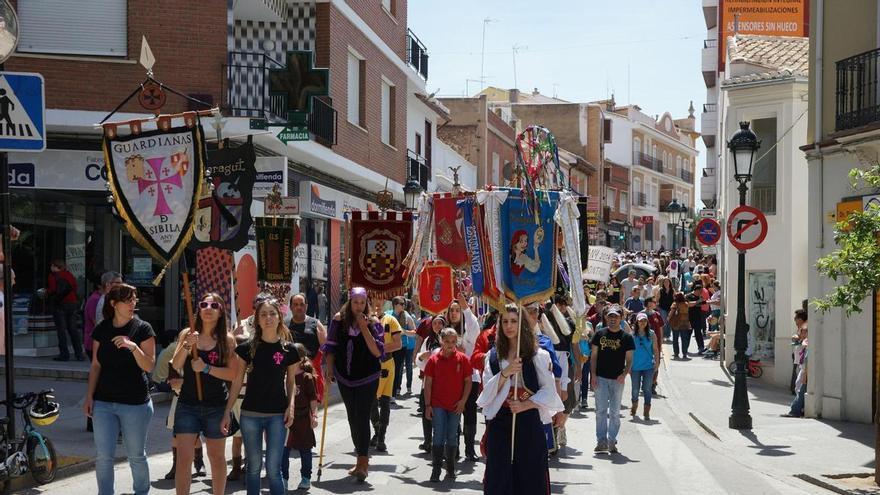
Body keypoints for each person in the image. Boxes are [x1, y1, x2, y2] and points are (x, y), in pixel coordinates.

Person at [477, 304, 563, 495]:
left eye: (514, 321)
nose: (509, 326)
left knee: (530, 477)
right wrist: (506, 372)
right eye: (505, 321)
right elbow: (486, 394)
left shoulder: (539, 356)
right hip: (500, 424)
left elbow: (549, 391)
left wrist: (526, 404)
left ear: (522, 323)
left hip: (528, 423)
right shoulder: (493, 357)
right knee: (499, 477)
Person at [83, 284, 156, 495]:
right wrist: (89, 396)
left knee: (136, 455)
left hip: (135, 403)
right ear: (114, 304)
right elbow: (96, 365)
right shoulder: (102, 329)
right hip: (104, 402)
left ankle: (141, 492)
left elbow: (149, 366)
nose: (133, 303)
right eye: (128, 300)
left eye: (134, 299)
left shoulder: (143, 329)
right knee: (104, 456)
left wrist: (132, 346)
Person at [223, 297, 301, 495]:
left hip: (277, 414)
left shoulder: (289, 350)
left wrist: (290, 407)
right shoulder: (246, 348)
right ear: (257, 319)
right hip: (250, 414)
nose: (268, 318)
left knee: (274, 470)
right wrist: (226, 412)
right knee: (254, 468)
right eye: (263, 314)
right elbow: (237, 382)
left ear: (280, 318)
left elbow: (291, 382)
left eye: (272, 314)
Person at [170, 293, 238, 495]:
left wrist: (206, 368)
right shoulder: (187, 334)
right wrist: (187, 346)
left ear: (220, 311)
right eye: (204, 304)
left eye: (214, 305)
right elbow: (175, 364)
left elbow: (233, 373)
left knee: (216, 457)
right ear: (198, 309)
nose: (208, 308)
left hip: (216, 405)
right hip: (187, 404)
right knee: (184, 458)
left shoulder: (227, 339)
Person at [320, 287, 384, 482]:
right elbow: (331, 346)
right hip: (345, 376)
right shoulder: (339, 320)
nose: (358, 306)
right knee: (352, 417)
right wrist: (329, 369)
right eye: (355, 302)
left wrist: (364, 327)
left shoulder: (374, 323)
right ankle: (359, 458)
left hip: (368, 376)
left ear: (366, 304)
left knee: (362, 416)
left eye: (362, 303)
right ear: (350, 302)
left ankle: (364, 462)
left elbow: (376, 352)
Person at [227, 292, 273, 482]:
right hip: (242, 382)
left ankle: (264, 466)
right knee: (238, 433)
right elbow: (232, 349)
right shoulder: (242, 325)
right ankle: (237, 467)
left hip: (264, 384)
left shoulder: (271, 326)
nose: (260, 308)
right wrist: (237, 338)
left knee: (263, 433)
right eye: (257, 305)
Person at [424, 328, 473, 482]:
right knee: (438, 435)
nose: (450, 345)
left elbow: (468, 382)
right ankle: (436, 469)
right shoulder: (433, 360)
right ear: (441, 341)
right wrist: (427, 405)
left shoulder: (463, 359)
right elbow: (428, 384)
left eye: (453, 342)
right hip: (437, 404)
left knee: (453, 435)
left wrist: (463, 401)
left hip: (456, 405)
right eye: (447, 341)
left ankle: (450, 468)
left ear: (456, 342)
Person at [590, 305, 634, 454]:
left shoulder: (627, 338)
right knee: (601, 410)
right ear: (606, 318)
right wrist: (593, 375)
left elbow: (629, 360)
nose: (613, 319)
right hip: (601, 378)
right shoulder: (599, 334)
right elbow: (594, 357)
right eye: (610, 316)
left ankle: (612, 440)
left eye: (616, 316)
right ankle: (601, 441)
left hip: (617, 380)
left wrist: (624, 374)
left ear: (621, 318)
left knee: (615, 412)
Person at [445, 292, 481, 461]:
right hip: (451, 378)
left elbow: (475, 327)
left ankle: (469, 448)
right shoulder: (445, 333)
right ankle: (454, 447)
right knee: (452, 411)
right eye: (451, 310)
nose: (454, 313)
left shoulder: (468, 330)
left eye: (457, 310)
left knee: (470, 412)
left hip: (469, 377)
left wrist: (466, 307)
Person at [281, 343, 319, 491]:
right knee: (284, 450)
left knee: (305, 449)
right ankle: (283, 478)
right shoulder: (283, 375)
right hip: (286, 418)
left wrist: (314, 415)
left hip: (302, 417)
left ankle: (306, 478)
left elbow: (313, 399)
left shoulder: (307, 377)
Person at [370, 298, 402, 453]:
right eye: (373, 299)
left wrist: (379, 348)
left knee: (384, 402)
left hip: (387, 364)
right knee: (370, 402)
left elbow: (398, 344)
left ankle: (381, 437)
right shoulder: (366, 321)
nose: (376, 302)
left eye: (379, 299)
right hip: (370, 367)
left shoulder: (391, 320)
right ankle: (376, 431)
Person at [287, 293, 327, 404]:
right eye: (295, 304)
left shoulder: (316, 324)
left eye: (301, 304)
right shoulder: (284, 325)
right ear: (290, 307)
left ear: (306, 306)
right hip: (291, 374)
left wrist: (330, 370)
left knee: (312, 411)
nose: (299, 307)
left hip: (312, 373)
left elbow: (327, 348)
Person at [416, 314, 446, 452]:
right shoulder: (428, 340)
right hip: (428, 381)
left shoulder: (448, 339)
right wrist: (422, 357)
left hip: (444, 383)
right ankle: (427, 440)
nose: (437, 326)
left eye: (440, 323)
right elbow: (420, 361)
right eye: (435, 324)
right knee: (425, 410)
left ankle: (443, 442)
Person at [47, 259, 83, 361]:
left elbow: (53, 290)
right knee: (73, 329)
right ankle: (79, 353)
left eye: (52, 266)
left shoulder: (53, 276)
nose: (51, 268)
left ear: (55, 266)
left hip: (60, 305)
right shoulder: (69, 275)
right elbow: (75, 287)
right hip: (72, 304)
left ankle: (64, 354)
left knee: (61, 330)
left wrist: (47, 293)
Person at [629, 313, 660, 420]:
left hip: (648, 366)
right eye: (640, 321)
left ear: (647, 322)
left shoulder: (651, 334)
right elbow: (628, 351)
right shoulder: (632, 334)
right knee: (635, 389)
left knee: (647, 389)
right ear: (637, 322)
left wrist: (657, 363)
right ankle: (634, 404)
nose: (643, 323)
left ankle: (646, 411)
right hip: (635, 366)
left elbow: (656, 350)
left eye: (645, 321)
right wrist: (628, 365)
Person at [391, 296, 416, 397]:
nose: (403, 306)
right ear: (395, 305)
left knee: (398, 369)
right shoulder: (389, 315)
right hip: (390, 346)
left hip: (402, 346)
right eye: (401, 304)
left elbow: (414, 332)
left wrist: (403, 331)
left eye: (404, 304)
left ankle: (395, 390)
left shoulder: (406, 316)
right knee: (390, 369)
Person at [669, 292, 692, 360]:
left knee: (675, 339)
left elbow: (671, 313)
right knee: (684, 339)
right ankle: (684, 353)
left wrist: (668, 319)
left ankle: (676, 353)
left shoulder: (675, 304)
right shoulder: (686, 304)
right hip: (684, 323)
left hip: (676, 323)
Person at [790, 309, 808, 395]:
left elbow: (804, 340)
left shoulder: (805, 327)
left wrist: (798, 338)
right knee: (799, 382)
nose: (794, 319)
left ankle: (800, 401)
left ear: (800, 319)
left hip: (803, 358)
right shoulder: (800, 327)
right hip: (799, 357)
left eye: (796, 317)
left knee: (799, 383)